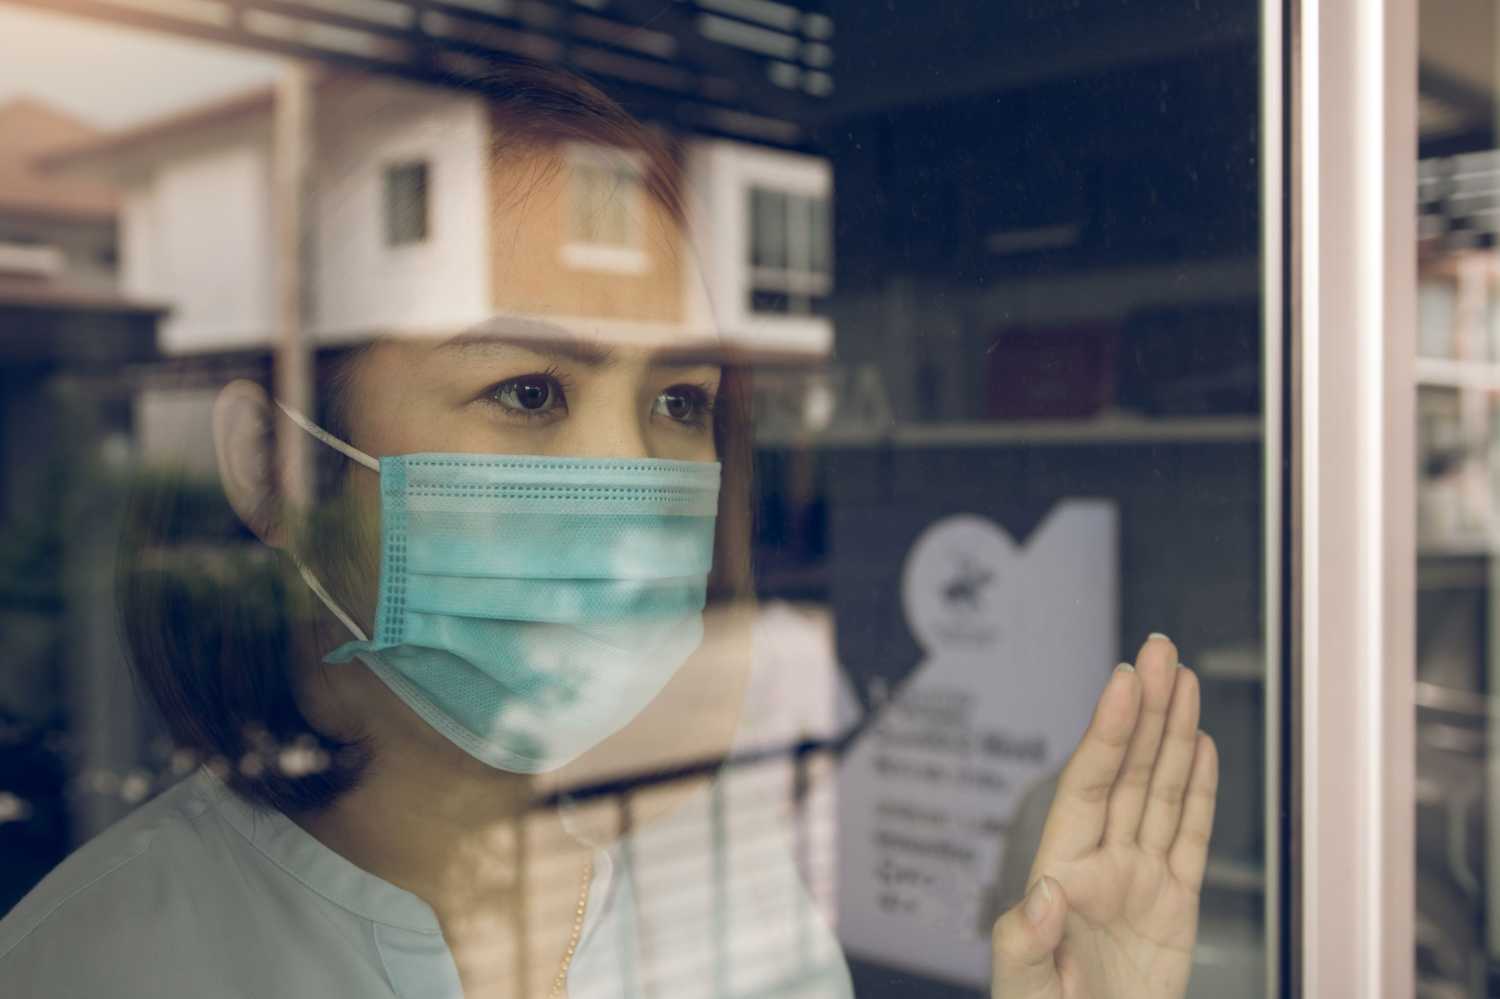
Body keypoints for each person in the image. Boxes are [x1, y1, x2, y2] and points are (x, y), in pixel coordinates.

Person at [0, 64, 1217, 999]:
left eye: (677, 404)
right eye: (529, 391)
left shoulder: (743, 923)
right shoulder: (95, 962)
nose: (632, 488)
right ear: (271, 466)